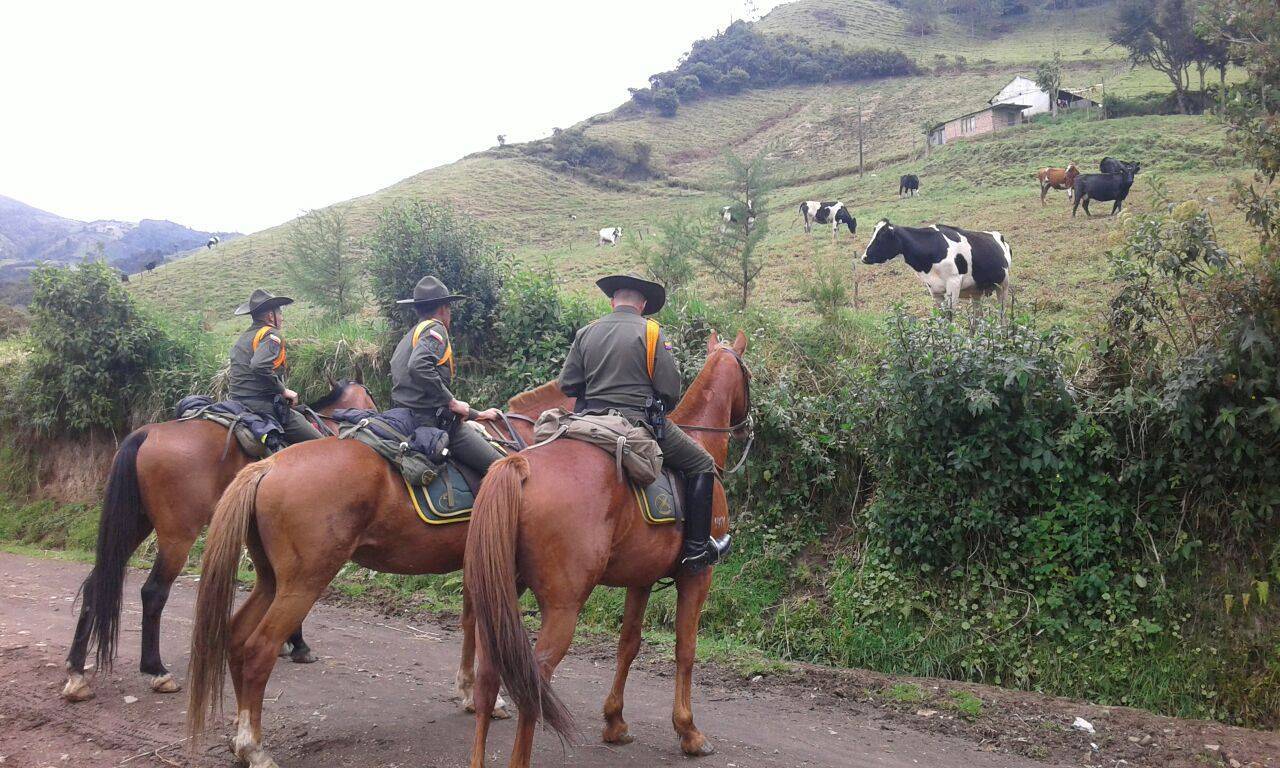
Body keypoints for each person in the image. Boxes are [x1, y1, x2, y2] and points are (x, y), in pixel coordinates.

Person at [558, 273, 730, 573]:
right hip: (638, 422)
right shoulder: (651, 332)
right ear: (643, 304)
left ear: (613, 301)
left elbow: (568, 384)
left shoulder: (587, 332)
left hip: (589, 422)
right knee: (702, 463)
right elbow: (669, 389)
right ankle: (696, 551)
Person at [389, 276, 503, 474]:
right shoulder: (436, 329)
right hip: (431, 423)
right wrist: (451, 401)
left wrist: (478, 415)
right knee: (506, 469)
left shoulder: (410, 336)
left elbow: (423, 393)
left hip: (405, 417)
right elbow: (419, 366)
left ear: (418, 309)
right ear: (443, 309)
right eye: (449, 308)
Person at [227, 289, 322, 444]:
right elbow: (259, 366)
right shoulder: (271, 334)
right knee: (320, 443)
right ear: (271, 316)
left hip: (237, 401)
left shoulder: (244, 337)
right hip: (260, 403)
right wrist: (283, 390)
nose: (282, 318)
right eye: (280, 313)